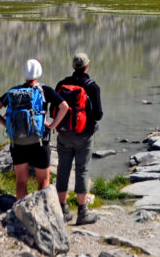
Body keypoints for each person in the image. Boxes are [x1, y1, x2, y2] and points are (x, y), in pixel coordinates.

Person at [0, 59, 69, 200]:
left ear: (24, 73)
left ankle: (21, 213)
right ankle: (42, 212)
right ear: (39, 73)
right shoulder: (45, 90)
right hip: (40, 141)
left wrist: (7, 124)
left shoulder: (12, 92)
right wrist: (53, 125)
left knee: (21, 181)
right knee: (43, 180)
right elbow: (64, 107)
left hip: (17, 142)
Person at [54, 52, 103, 225]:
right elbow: (98, 114)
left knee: (63, 169)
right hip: (84, 136)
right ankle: (82, 213)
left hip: (63, 134)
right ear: (87, 66)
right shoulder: (92, 86)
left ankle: (61, 208)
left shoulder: (62, 84)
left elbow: (55, 107)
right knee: (82, 170)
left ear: (73, 66)